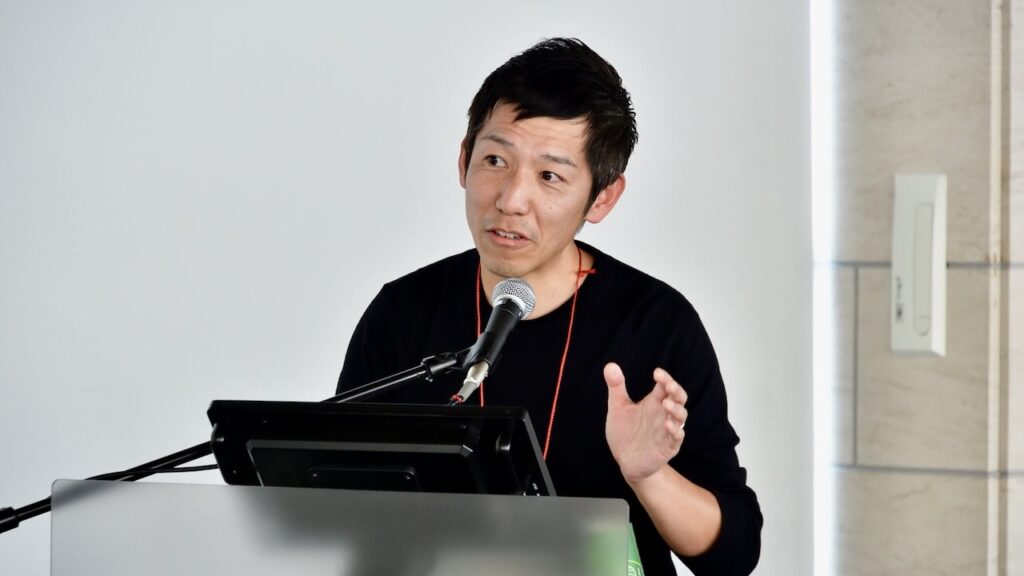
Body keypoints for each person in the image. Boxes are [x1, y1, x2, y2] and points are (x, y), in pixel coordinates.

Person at [337, 37, 762, 575]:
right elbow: (336, 502)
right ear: (464, 161)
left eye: (549, 176)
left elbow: (734, 553)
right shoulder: (403, 311)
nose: (511, 199)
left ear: (602, 197)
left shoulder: (656, 323)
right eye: (495, 160)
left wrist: (649, 476)